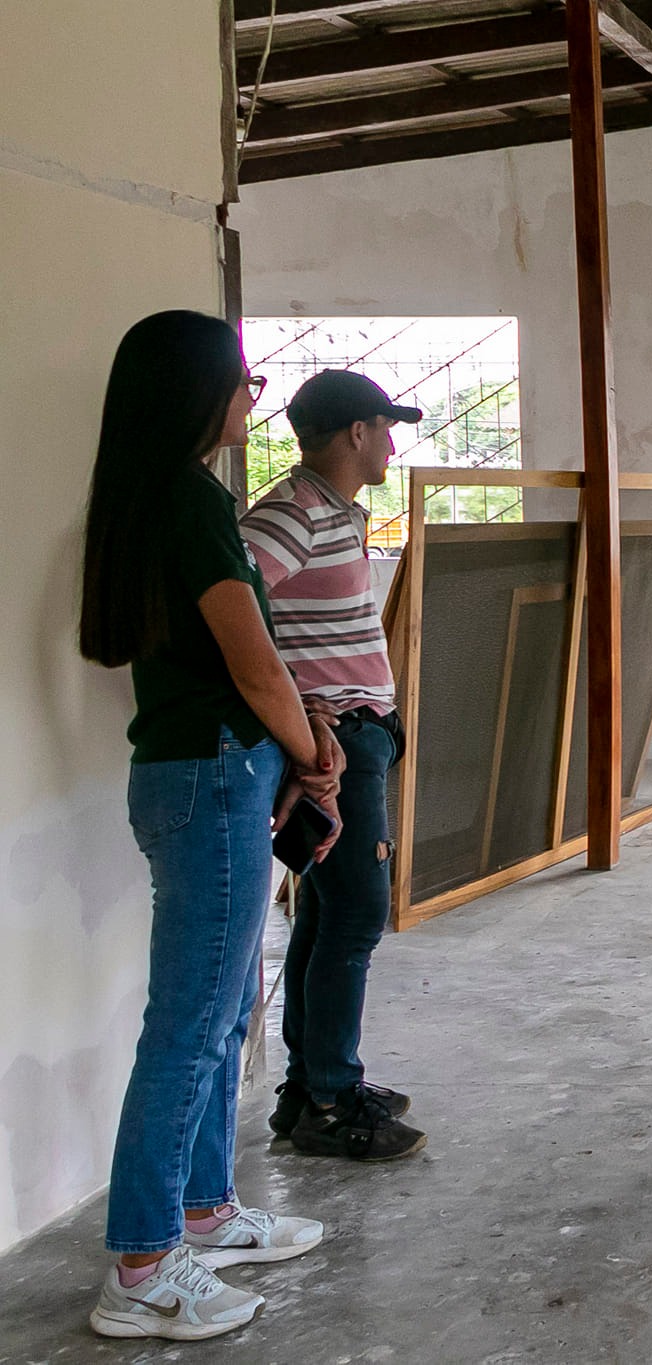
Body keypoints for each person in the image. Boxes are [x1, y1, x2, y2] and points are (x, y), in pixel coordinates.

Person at [77, 311, 338, 1340]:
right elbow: (254, 663)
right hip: (214, 778)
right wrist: (314, 755)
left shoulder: (158, 495)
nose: (250, 399)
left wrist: (292, 746)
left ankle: (202, 1210)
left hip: (203, 773)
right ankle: (142, 1267)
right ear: (195, 391)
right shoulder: (187, 500)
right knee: (190, 1025)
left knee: (225, 1014)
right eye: (243, 382)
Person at [243, 371, 428, 1162]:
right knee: (354, 913)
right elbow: (231, 604)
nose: (390, 443)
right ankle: (330, 1099)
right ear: (357, 431)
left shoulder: (335, 512)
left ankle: (308, 1087)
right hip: (335, 745)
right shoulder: (294, 512)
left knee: (323, 914)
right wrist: (305, 712)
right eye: (386, 427)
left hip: (354, 736)